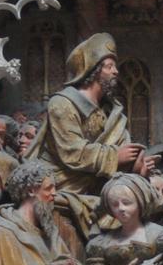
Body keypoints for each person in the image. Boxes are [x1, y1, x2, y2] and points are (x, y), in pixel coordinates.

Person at [29, 34, 148, 248]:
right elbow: (72, 152)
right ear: (93, 70)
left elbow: (124, 146)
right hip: (62, 183)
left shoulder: (112, 112)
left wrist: (138, 164)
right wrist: (115, 157)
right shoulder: (62, 104)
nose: (116, 71)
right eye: (109, 66)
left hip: (98, 186)